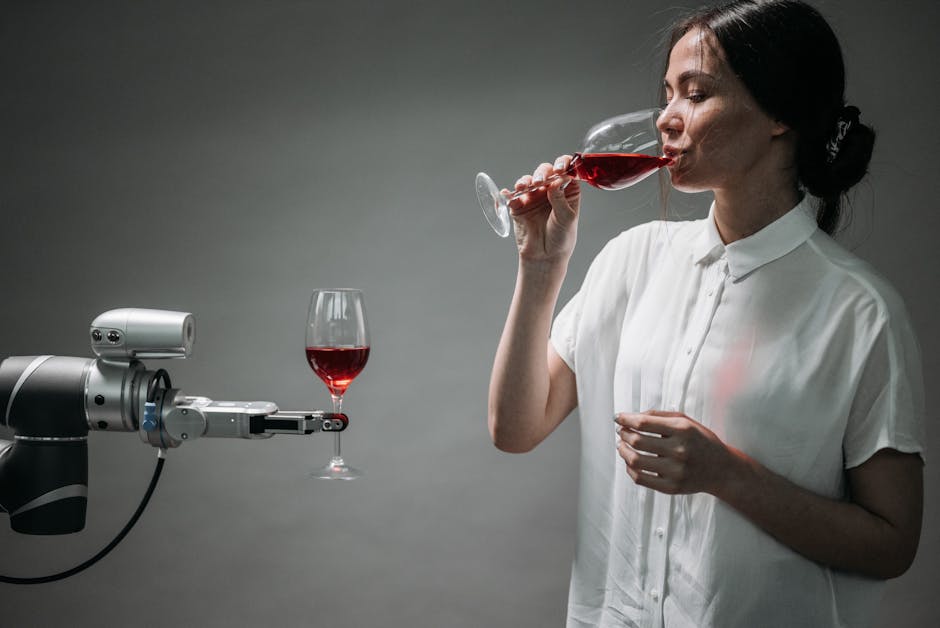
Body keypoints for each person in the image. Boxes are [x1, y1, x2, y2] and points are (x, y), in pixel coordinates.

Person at [486, 1, 925, 626]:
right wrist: (540, 267)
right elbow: (514, 428)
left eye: (695, 94)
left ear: (779, 114)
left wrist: (728, 475)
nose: (667, 118)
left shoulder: (861, 312)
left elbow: (892, 544)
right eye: (666, 93)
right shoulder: (633, 259)